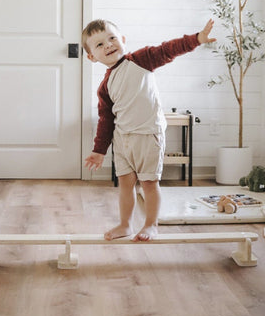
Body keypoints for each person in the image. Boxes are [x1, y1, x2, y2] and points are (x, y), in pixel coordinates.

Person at [82, 19, 216, 241]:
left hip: (148, 135)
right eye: (99, 45)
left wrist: (197, 39)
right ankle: (125, 225)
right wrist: (99, 150)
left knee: (149, 183)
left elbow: (168, 49)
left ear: (122, 40)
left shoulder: (140, 60)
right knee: (125, 183)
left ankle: (151, 224)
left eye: (112, 38)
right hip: (122, 139)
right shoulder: (104, 87)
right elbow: (106, 119)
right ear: (91, 57)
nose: (108, 45)